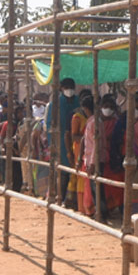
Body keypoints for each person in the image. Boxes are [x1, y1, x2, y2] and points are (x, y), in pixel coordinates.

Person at [46, 78, 80, 206]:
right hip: (61, 141)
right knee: (62, 171)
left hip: (76, 141)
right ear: (61, 88)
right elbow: (50, 125)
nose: (69, 90)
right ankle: (60, 197)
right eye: (66, 87)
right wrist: (52, 144)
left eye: (71, 87)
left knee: (76, 169)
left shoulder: (78, 101)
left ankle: (74, 200)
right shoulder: (55, 103)